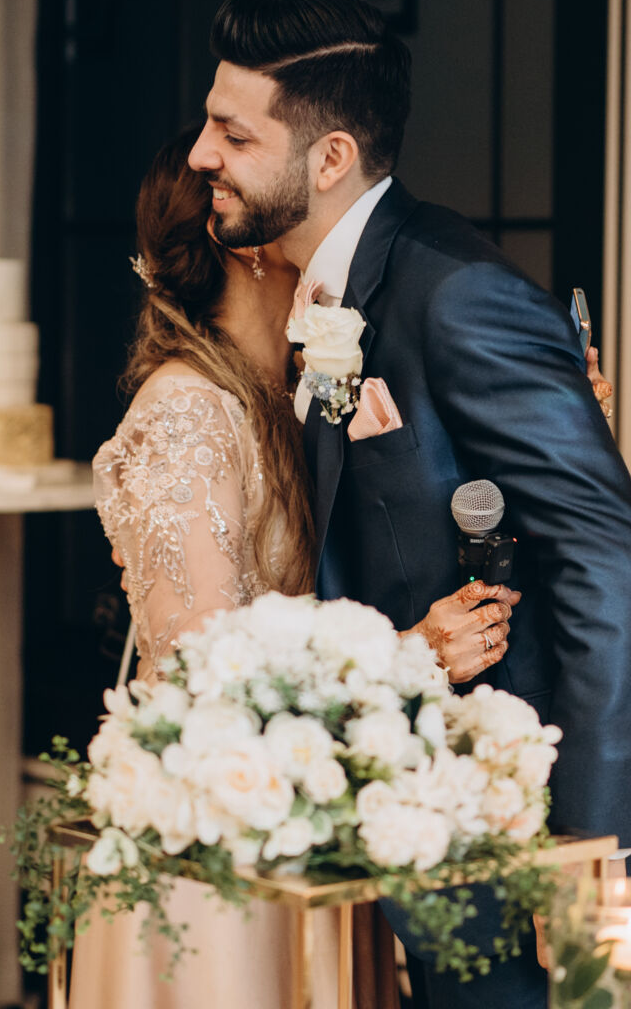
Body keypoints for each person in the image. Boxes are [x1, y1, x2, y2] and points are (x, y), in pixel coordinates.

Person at [186, 0, 631, 1009]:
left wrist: (588, 849)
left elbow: (607, 554)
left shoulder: (456, 291)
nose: (202, 155)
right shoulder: (324, 295)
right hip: (418, 815)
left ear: (329, 158)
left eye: (234, 135)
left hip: (522, 824)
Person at [70, 126, 520, 1009]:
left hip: (308, 819)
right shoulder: (184, 417)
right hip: (218, 841)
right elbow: (203, 682)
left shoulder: (297, 393)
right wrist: (413, 656)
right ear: (237, 238)